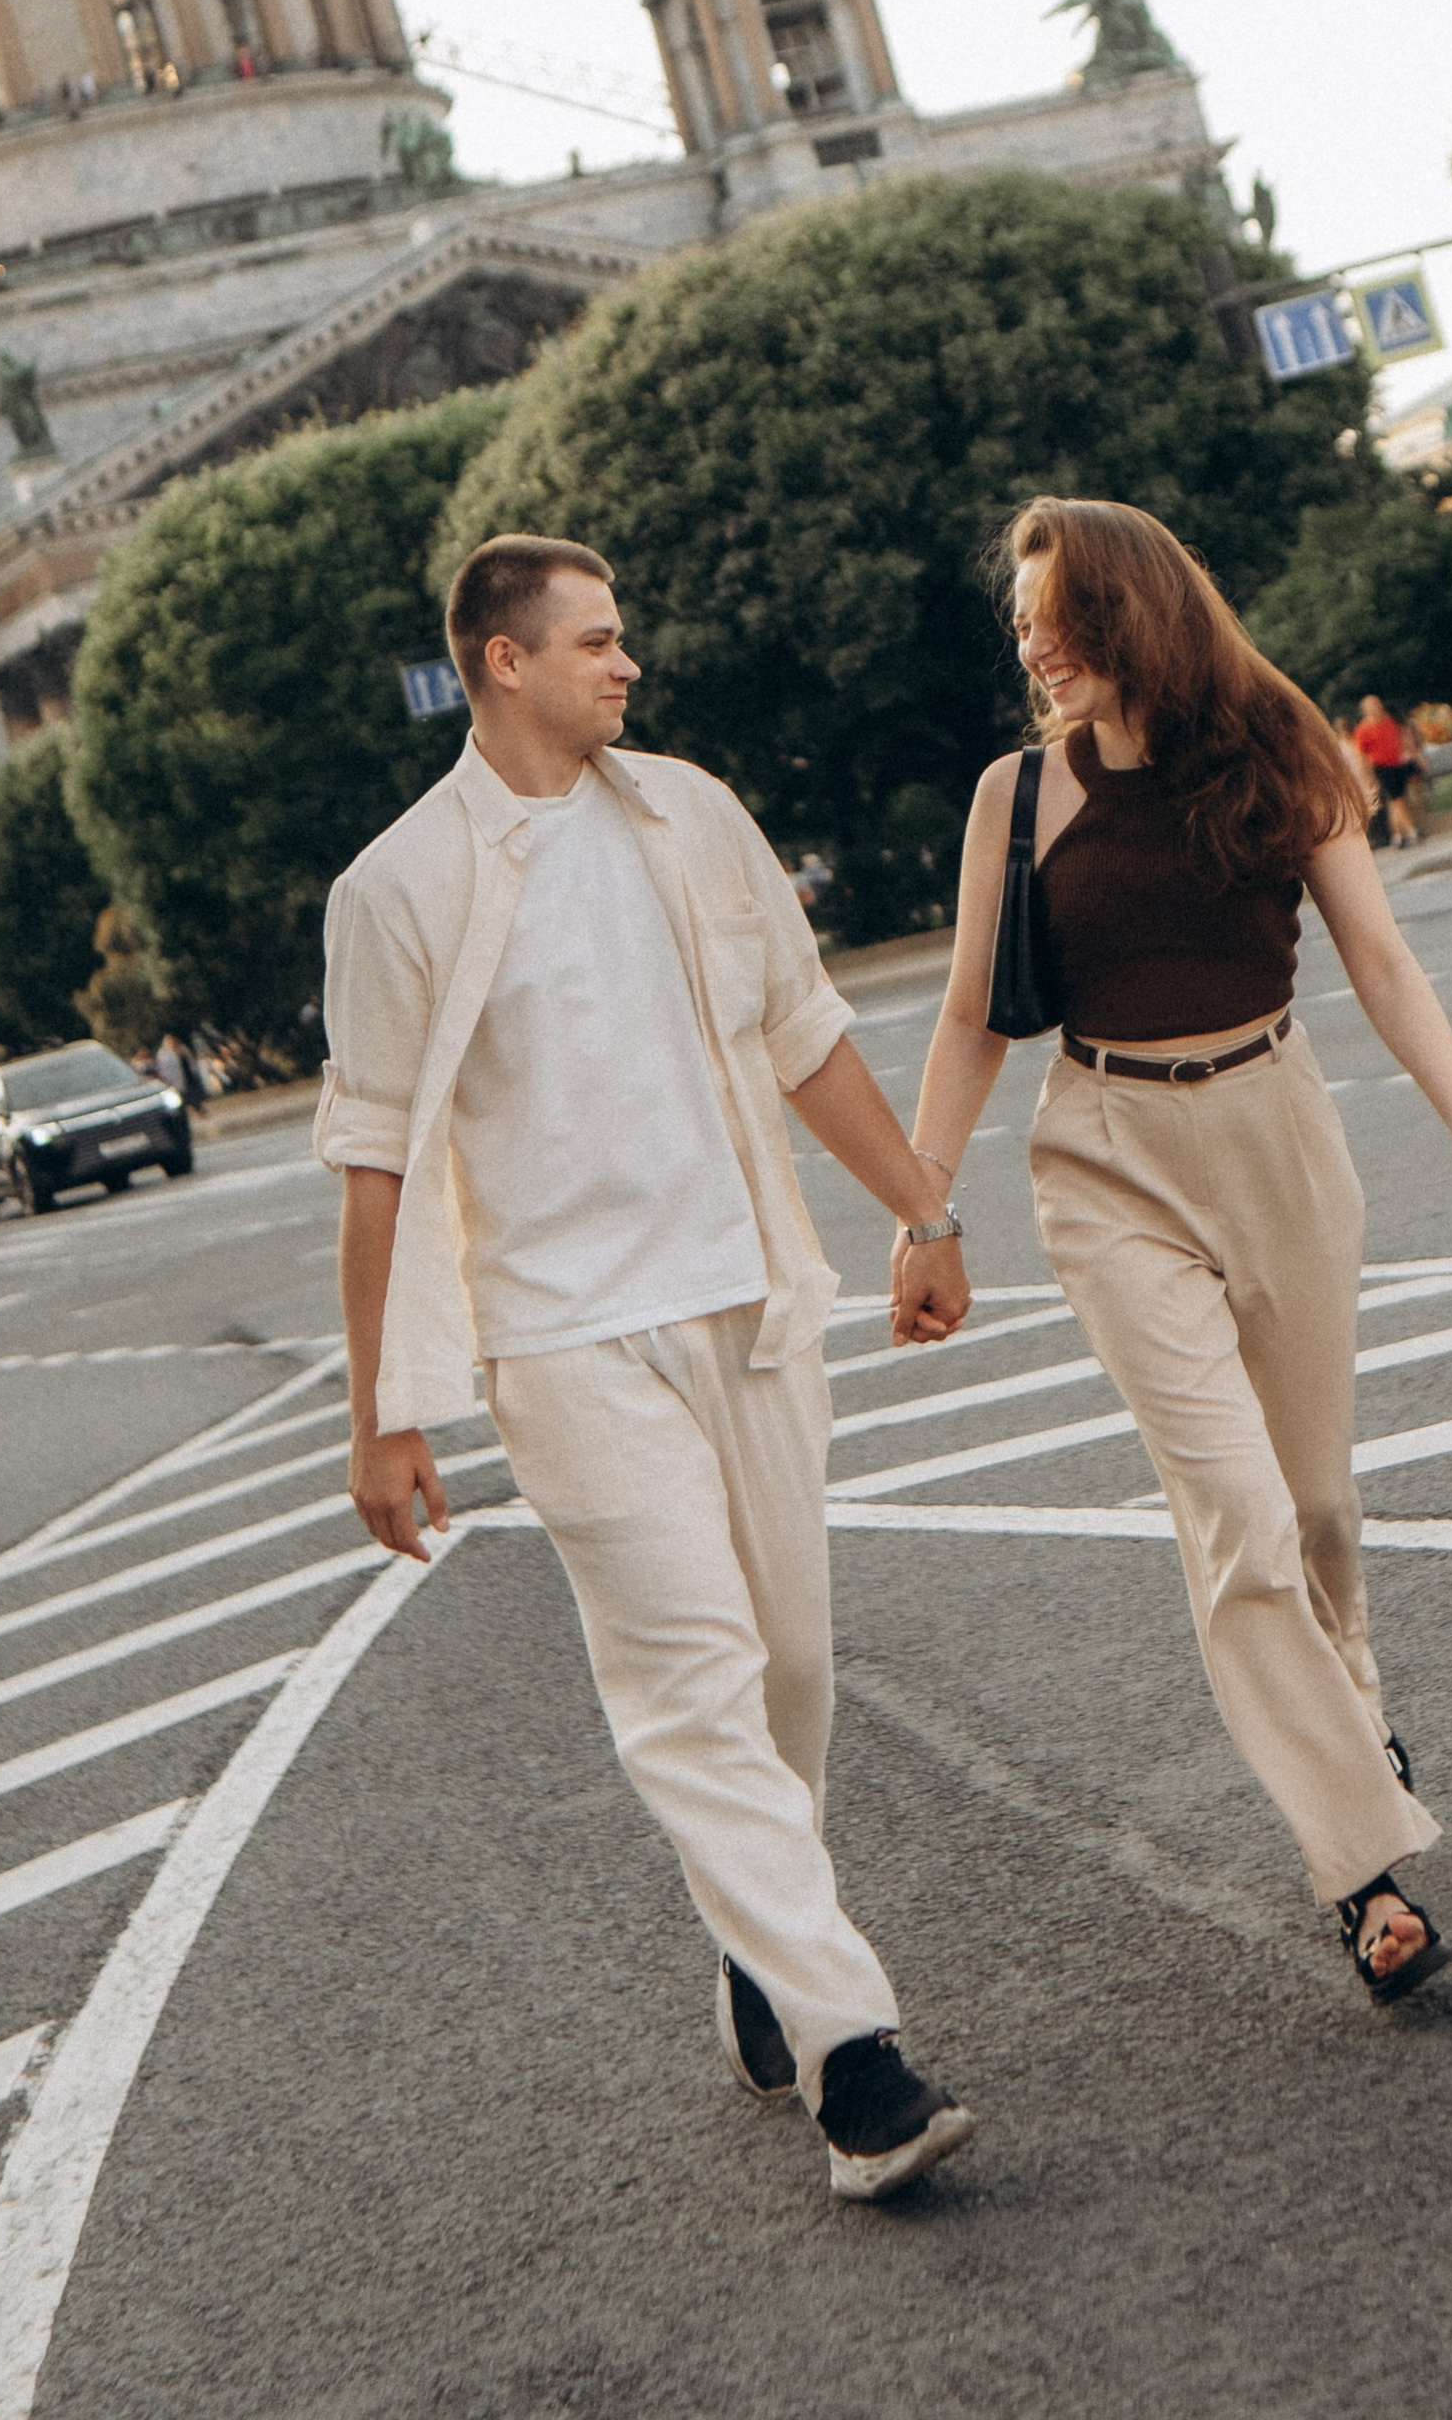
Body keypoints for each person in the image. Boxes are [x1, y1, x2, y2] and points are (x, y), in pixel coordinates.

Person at [318, 530, 977, 2201]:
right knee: (690, 1692)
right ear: (502, 663)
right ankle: (858, 2062)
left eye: (624, 639)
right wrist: (382, 1412)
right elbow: (377, 1162)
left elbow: (804, 1030)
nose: (627, 666)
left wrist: (921, 1208)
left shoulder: (691, 811)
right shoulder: (397, 889)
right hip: (565, 1343)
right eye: (596, 643)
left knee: (793, 1677)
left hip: (743, 1299)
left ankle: (767, 1951)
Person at [912, 498, 1452, 2001]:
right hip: (1109, 1156)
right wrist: (925, 1207)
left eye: (1059, 617)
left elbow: (1379, 958)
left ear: (1135, 609)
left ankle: (1357, 1731)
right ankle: (1363, 1871)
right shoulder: (1021, 796)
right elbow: (965, 1016)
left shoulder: (1279, 742)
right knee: (1238, 1519)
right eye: (1023, 627)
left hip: (1275, 1132)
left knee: (1318, 1507)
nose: (1037, 647)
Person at [1349, 692, 1423, 848]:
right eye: (1372, 706)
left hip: (1397, 764)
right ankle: (1411, 831)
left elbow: (1402, 739)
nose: (1376, 708)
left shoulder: (1389, 721)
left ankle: (1397, 835)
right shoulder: (1363, 730)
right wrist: (1367, 777)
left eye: (1377, 704)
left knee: (1395, 801)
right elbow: (1361, 755)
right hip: (1381, 766)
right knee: (1398, 799)